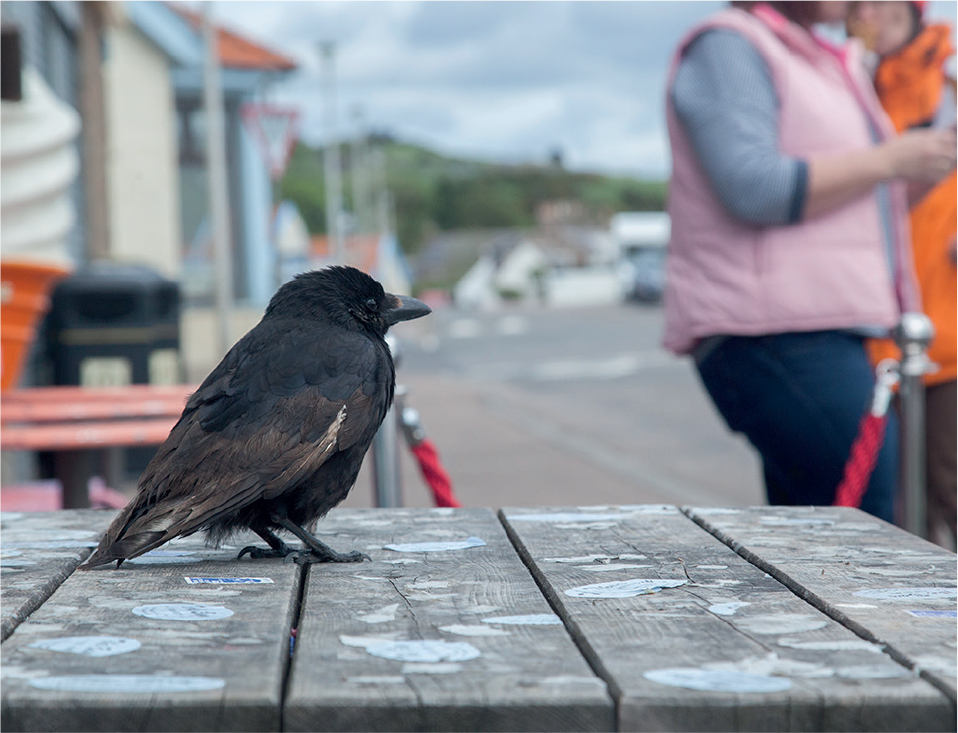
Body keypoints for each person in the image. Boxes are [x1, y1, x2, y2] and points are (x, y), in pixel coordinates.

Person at [662, 1, 957, 523]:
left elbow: (859, 205)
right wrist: (890, 159)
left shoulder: (818, 57)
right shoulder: (731, 44)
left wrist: (918, 171)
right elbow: (755, 186)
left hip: (821, 329)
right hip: (778, 332)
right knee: (866, 525)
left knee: (820, 530)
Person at [848, 1, 957, 548]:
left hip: (950, 332)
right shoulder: (848, 85)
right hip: (868, 330)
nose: (874, 11)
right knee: (887, 507)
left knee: (950, 487)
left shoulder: (952, 85)